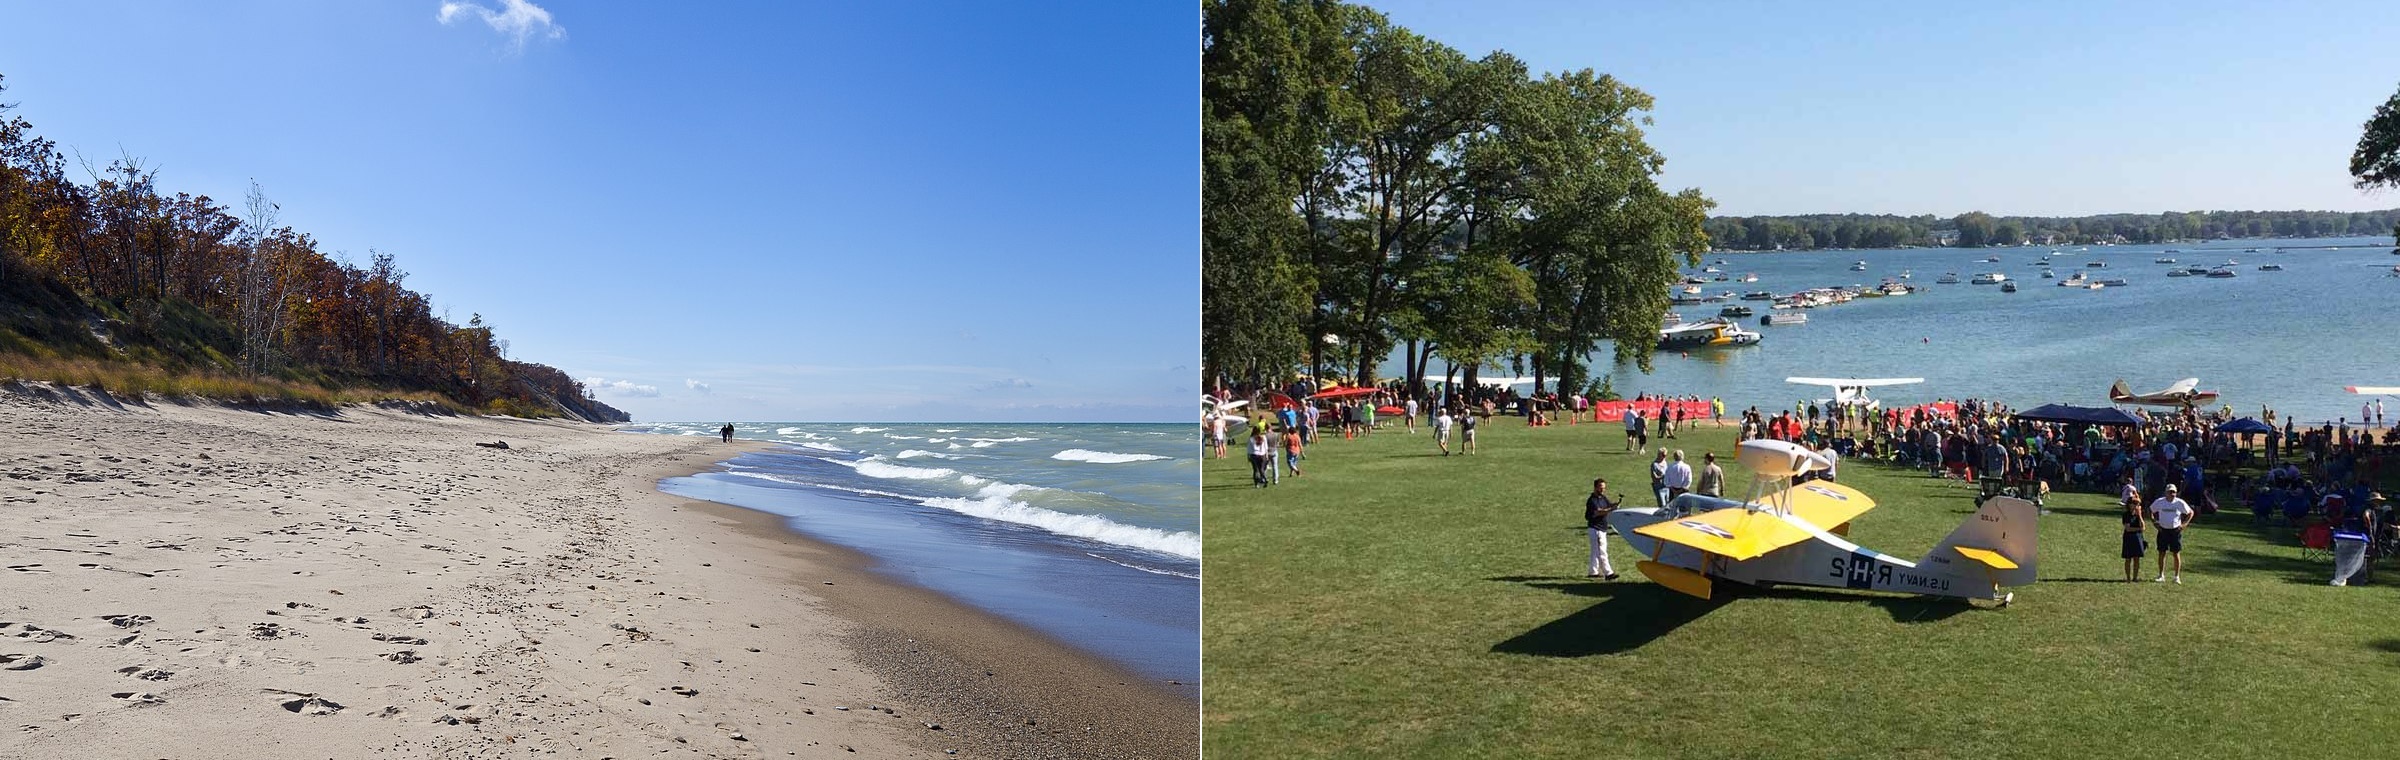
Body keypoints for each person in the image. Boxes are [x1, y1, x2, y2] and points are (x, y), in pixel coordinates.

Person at [2149, 483, 2194, 583]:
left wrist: (2184, 524)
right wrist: (2154, 522)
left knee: (2176, 553)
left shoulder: (2179, 503)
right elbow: (2150, 510)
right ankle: (2161, 575)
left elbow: (2190, 512)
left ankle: (2176, 577)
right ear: (2166, 493)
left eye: (2174, 492)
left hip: (2175, 531)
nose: (2172, 494)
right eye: (2170, 492)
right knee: (2162, 552)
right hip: (2163, 530)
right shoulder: (2160, 502)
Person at [1585, 478, 1620, 580]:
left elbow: (1608, 506)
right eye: (1600, 488)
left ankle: (1593, 572)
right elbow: (1599, 512)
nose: (1603, 490)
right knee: (1602, 551)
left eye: (1604, 488)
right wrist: (1611, 509)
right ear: (1595, 487)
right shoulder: (1592, 500)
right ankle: (1608, 573)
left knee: (1595, 551)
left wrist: (1615, 504)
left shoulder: (1603, 498)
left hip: (1601, 529)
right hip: (1596, 529)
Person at [2120, 497, 2147, 582]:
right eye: (2134, 504)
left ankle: (2135, 577)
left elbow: (2143, 527)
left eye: (2138, 504)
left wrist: (2139, 515)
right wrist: (2139, 529)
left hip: (2138, 538)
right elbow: (2128, 528)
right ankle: (2128, 577)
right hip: (2129, 538)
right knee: (2128, 558)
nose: (2136, 506)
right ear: (2129, 504)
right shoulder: (2126, 515)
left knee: (2137, 558)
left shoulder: (2139, 514)